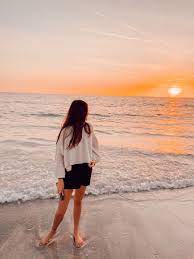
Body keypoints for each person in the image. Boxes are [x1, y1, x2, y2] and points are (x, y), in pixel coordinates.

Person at [39, 100, 100, 248]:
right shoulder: (66, 131)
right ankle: (52, 232)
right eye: (85, 110)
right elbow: (58, 156)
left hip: (85, 169)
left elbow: (95, 148)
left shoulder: (88, 128)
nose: (87, 113)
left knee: (78, 202)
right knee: (62, 208)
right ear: (81, 112)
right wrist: (60, 179)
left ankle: (76, 232)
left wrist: (94, 160)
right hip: (69, 172)